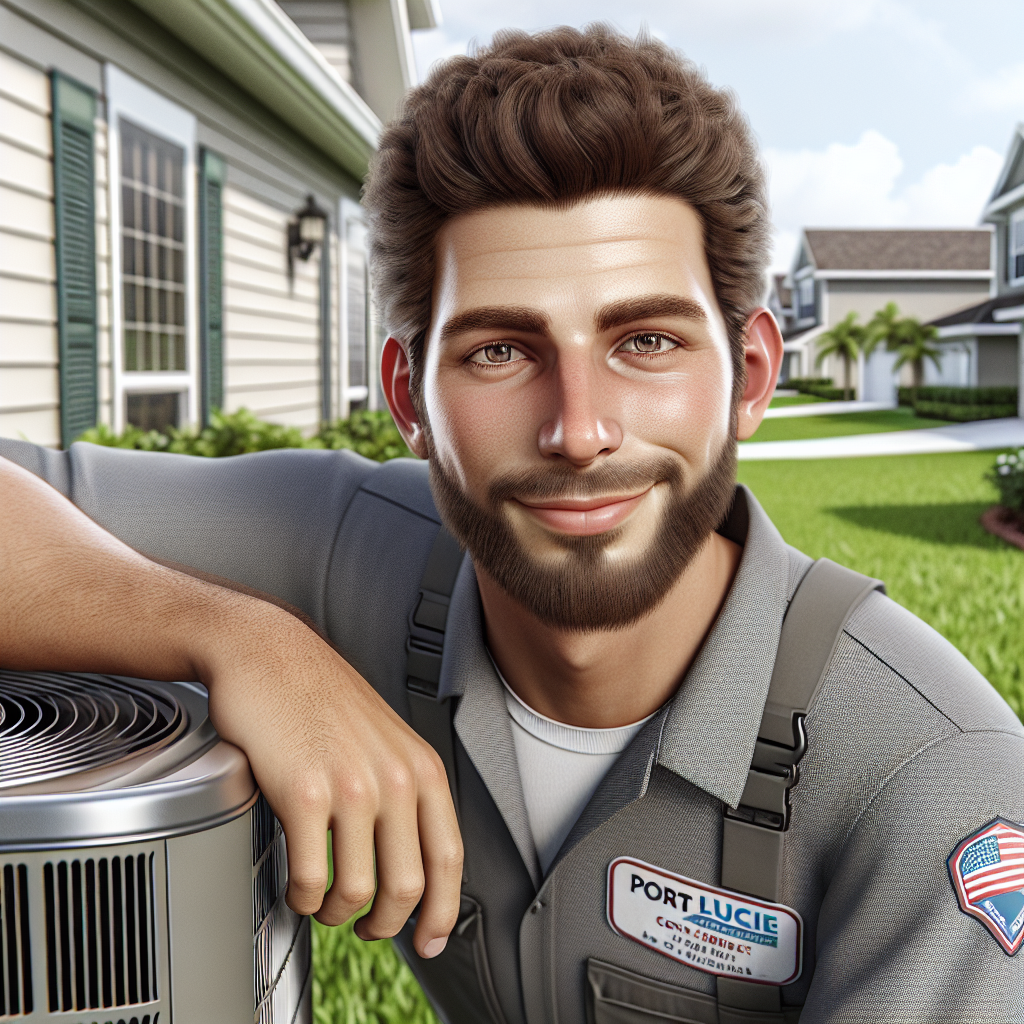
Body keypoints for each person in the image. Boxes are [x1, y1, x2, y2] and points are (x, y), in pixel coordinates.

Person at [1, 25, 1022, 1024]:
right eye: (498, 351)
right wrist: (238, 634)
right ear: (408, 398)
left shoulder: (938, 779)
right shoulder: (343, 550)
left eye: (647, 339)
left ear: (748, 377)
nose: (578, 429)